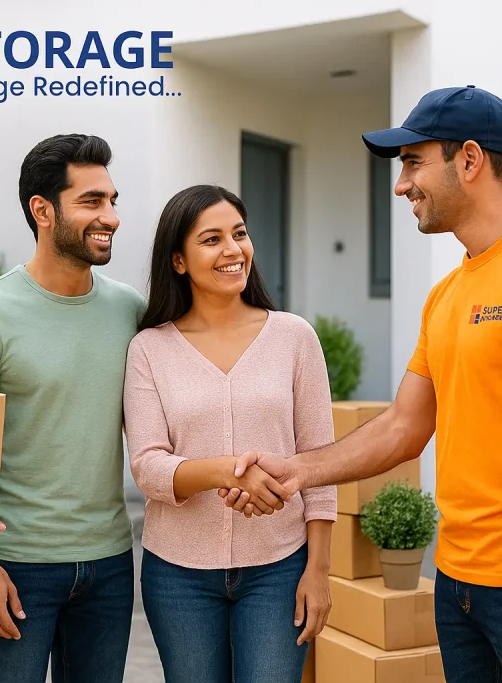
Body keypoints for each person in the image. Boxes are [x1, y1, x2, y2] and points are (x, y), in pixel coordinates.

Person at [222, 86, 502, 683]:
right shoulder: (447, 294)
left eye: (413, 162)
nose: (401, 184)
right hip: (460, 580)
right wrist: (298, 470)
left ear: (469, 159)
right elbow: (404, 426)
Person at [0, 133, 146, 683]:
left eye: (112, 200)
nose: (111, 216)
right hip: (16, 566)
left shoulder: (130, 310)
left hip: (109, 563)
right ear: (43, 210)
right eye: (92, 201)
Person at [121, 184, 337, 683]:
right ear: (178, 260)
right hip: (177, 575)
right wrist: (227, 473)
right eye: (211, 239)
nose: (233, 249)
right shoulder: (149, 349)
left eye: (239, 234)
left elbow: (319, 461)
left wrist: (319, 570)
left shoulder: (294, 337)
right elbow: (148, 467)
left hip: (280, 568)